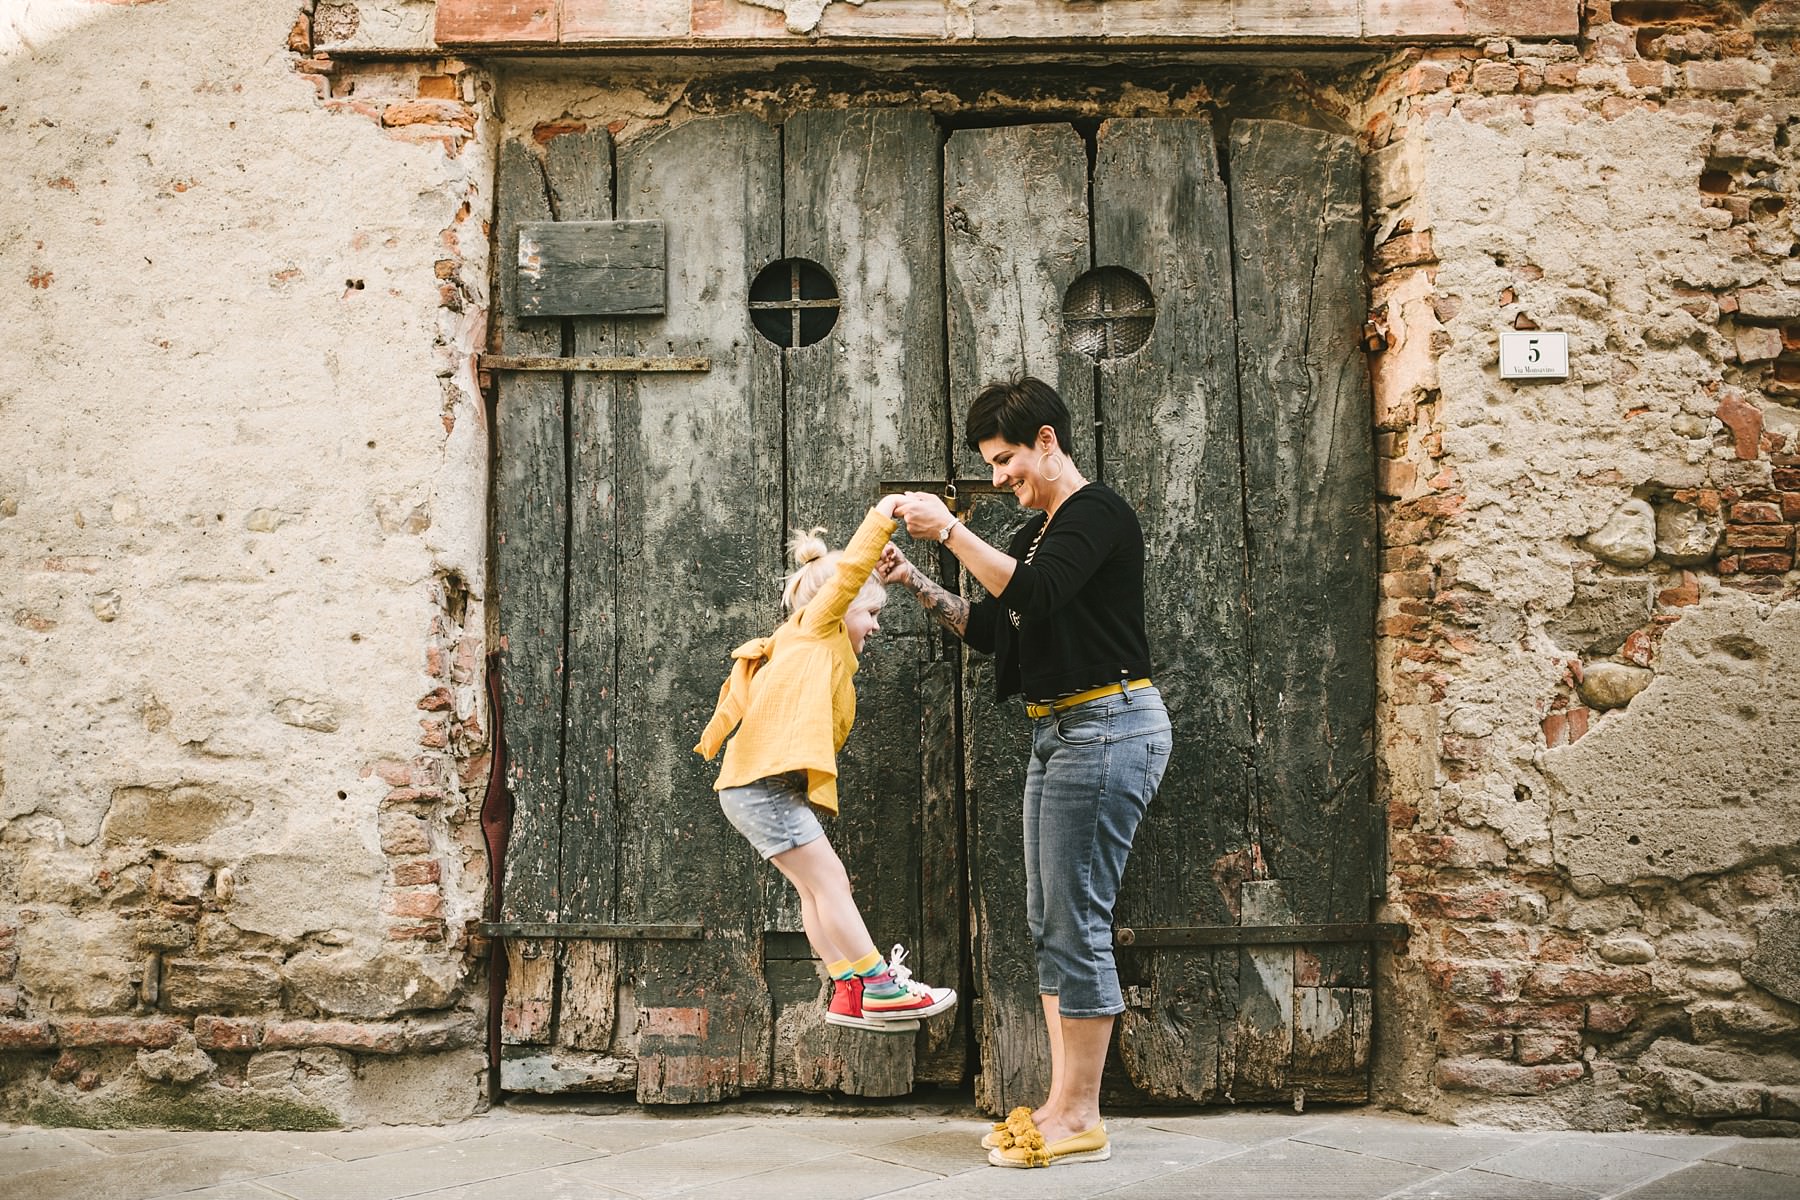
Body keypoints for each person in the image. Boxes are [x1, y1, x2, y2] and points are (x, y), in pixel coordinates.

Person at [881, 377, 1171, 1168]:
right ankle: (1059, 1104)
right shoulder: (1032, 531)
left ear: (1047, 440)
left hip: (1108, 726)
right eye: (991, 463)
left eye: (1005, 458)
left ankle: (1080, 1115)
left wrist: (950, 533)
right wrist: (915, 582)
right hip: (1060, 731)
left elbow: (1038, 596)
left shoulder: (1098, 513)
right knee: (1052, 922)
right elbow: (996, 629)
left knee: (1077, 919)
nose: (999, 475)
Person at [695, 493, 957, 1034]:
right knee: (832, 882)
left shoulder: (803, 642)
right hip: (762, 789)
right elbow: (851, 572)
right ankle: (881, 986)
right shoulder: (816, 627)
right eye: (871, 613)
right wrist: (884, 516)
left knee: (816, 888)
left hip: (754, 790)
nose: (876, 627)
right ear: (839, 608)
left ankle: (848, 989)